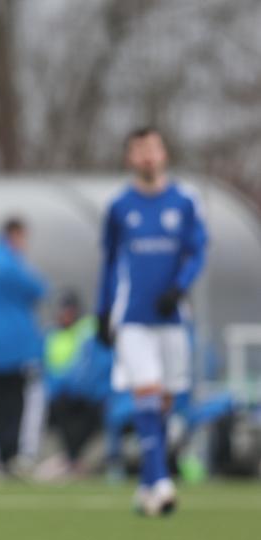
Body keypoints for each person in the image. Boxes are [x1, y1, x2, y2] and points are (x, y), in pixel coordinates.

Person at [96, 126, 208, 516]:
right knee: (147, 392)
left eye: (153, 149)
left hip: (174, 319)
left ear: (164, 154)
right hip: (133, 319)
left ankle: (146, 485)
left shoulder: (185, 201)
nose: (147, 156)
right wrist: (102, 310)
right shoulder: (119, 207)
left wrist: (179, 287)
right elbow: (110, 263)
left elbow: (197, 252)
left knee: (164, 401)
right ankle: (161, 482)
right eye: (139, 150)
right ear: (130, 158)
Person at [0, 218, 47, 474]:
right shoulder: (9, 262)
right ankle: (13, 456)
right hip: (13, 346)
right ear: (14, 235)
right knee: (15, 403)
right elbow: (39, 289)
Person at [42, 291, 109, 478]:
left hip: (90, 393)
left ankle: (75, 460)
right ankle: (71, 460)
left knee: (92, 415)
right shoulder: (52, 336)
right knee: (59, 413)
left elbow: (95, 364)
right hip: (64, 394)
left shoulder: (88, 330)